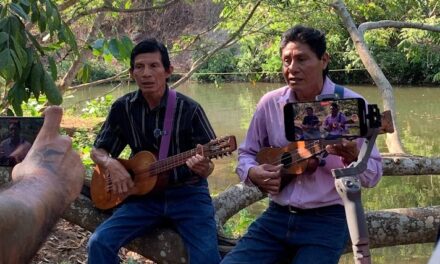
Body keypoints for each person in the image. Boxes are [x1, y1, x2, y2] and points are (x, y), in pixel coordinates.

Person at [221, 25, 382, 264]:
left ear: (324, 60)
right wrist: (252, 172)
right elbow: (247, 153)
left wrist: (354, 157)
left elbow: (373, 176)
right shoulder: (270, 103)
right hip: (276, 216)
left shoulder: (351, 105)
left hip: (327, 219)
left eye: (301, 59)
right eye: (287, 60)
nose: (292, 69)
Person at [87, 38, 221, 264]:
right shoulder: (123, 108)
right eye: (139, 67)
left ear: (168, 71)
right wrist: (111, 164)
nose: (146, 73)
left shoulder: (190, 109)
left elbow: (209, 162)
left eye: (154, 66)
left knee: (207, 258)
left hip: (188, 195)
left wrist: (203, 168)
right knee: (99, 242)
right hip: (143, 196)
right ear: (132, 73)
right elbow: (98, 150)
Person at [0, 106, 85, 263]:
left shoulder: (25, 145)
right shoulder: (4, 143)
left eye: (15, 128)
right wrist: (47, 178)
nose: (12, 131)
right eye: (10, 128)